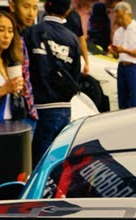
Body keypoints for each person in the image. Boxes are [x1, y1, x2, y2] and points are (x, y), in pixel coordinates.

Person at [26, 0, 82, 161]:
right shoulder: (72, 38)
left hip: (41, 108)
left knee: (40, 162)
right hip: (65, 108)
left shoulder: (32, 32)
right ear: (67, 11)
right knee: (58, 162)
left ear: (46, 7)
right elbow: (75, 74)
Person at [109, 2, 136, 108]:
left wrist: (124, 50)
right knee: (122, 98)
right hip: (121, 67)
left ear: (129, 14)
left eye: (121, 17)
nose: (120, 20)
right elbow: (117, 55)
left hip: (134, 67)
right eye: (118, 18)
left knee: (135, 98)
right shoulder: (118, 32)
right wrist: (114, 52)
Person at [9, 0, 42, 124]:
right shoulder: (10, 37)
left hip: (28, 110)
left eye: (34, 8)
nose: (31, 13)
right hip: (16, 114)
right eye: (26, 7)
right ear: (12, 6)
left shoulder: (23, 36)